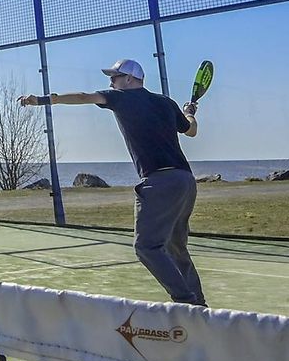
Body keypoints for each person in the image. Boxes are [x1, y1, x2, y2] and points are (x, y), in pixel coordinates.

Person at [20, 58, 207, 307]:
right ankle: (200, 307)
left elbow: (84, 97)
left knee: (146, 246)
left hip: (159, 182)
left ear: (129, 79)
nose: (111, 81)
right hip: (185, 181)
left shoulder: (120, 98)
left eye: (115, 77)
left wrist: (42, 100)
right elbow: (191, 130)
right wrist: (189, 113)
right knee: (176, 248)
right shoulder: (166, 103)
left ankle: (186, 302)